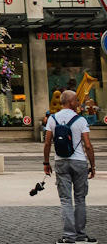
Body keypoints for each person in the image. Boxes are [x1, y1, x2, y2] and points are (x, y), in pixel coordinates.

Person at [44, 90, 97, 244]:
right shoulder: (80, 120)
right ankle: (80, 235)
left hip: (61, 162)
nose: (79, 102)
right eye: (76, 100)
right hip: (79, 162)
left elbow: (47, 142)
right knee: (80, 199)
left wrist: (46, 163)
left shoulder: (52, 119)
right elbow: (88, 145)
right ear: (71, 102)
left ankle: (69, 237)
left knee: (66, 200)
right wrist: (92, 165)